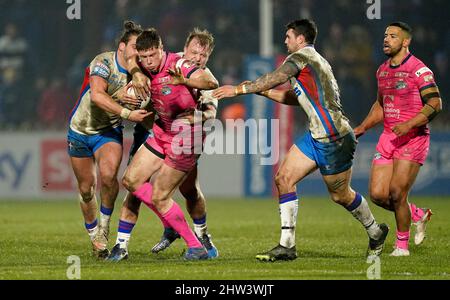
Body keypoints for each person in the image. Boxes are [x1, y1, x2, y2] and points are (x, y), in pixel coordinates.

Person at [213, 19, 389, 261]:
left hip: (334, 137)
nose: (285, 41)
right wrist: (263, 91)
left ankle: (375, 230)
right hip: (316, 135)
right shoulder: (315, 62)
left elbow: (277, 76)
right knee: (284, 178)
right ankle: (287, 245)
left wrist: (240, 90)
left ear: (300, 39)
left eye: (288, 36)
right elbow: (297, 97)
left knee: (340, 195)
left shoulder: (302, 56)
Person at [108, 28, 220, 261]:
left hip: (186, 137)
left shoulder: (180, 65)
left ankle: (197, 243)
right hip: (162, 132)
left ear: (162, 50)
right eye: (144, 57)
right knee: (130, 180)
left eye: (153, 56)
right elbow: (130, 58)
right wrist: (135, 75)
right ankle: (172, 227)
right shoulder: (145, 63)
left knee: (173, 194)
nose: (149, 62)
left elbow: (211, 82)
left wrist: (184, 80)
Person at [354, 22, 442, 257]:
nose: (386, 39)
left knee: (396, 193)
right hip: (389, 137)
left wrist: (410, 124)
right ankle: (416, 214)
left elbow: (435, 104)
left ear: (406, 42)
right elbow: (381, 105)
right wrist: (362, 127)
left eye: (393, 36)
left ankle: (401, 247)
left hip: (413, 138)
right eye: (385, 35)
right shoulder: (382, 70)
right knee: (378, 195)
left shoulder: (419, 69)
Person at [67, 21, 152, 258]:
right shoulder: (103, 62)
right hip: (80, 131)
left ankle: (104, 227)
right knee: (86, 190)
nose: (139, 52)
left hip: (108, 131)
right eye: (136, 46)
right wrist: (127, 112)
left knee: (108, 176)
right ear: (122, 47)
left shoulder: (142, 75)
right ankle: (93, 232)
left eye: (142, 47)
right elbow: (96, 96)